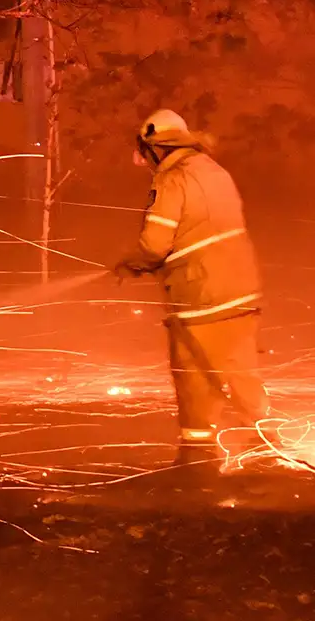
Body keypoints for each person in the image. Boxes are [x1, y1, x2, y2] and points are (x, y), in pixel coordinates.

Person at [114, 110, 268, 471]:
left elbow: (155, 243)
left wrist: (133, 263)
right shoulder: (214, 170)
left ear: (155, 147)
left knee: (195, 375)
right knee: (234, 370)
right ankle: (247, 449)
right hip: (241, 289)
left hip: (200, 293)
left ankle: (208, 458)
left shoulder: (173, 179)